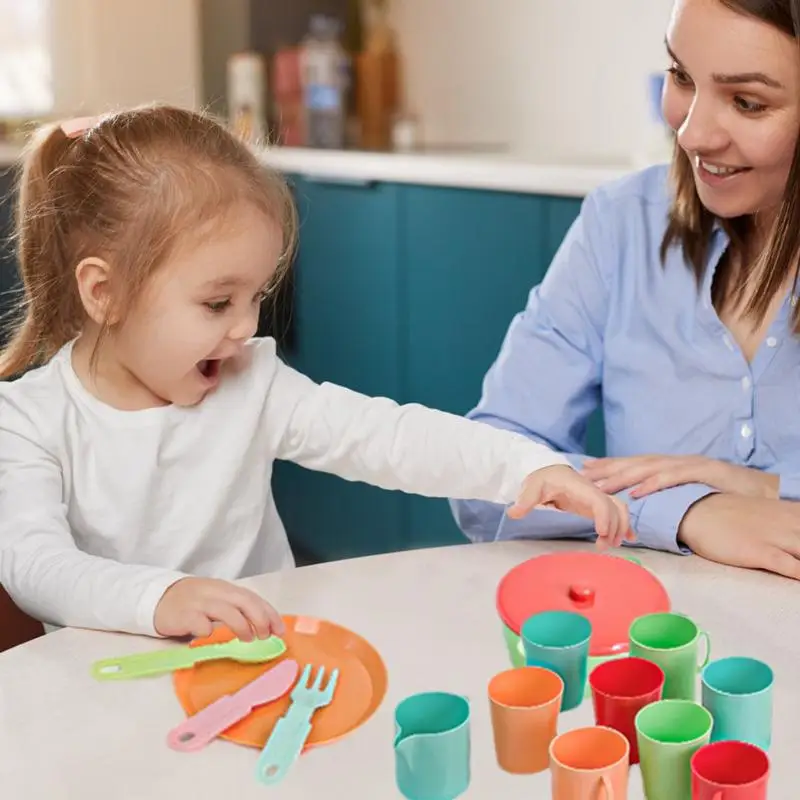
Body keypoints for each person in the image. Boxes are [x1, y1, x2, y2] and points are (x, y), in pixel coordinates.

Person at [0, 106, 630, 642]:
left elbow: (386, 437)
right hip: (109, 692)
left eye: (256, 297)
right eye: (218, 303)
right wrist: (161, 599)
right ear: (103, 292)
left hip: (257, 667)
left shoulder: (251, 382)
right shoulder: (30, 422)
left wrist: (525, 466)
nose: (246, 327)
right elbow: (35, 565)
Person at [451, 0, 800, 581]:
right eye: (682, 77)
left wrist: (767, 488)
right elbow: (482, 477)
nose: (692, 135)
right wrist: (689, 510)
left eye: (747, 102)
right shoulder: (621, 224)